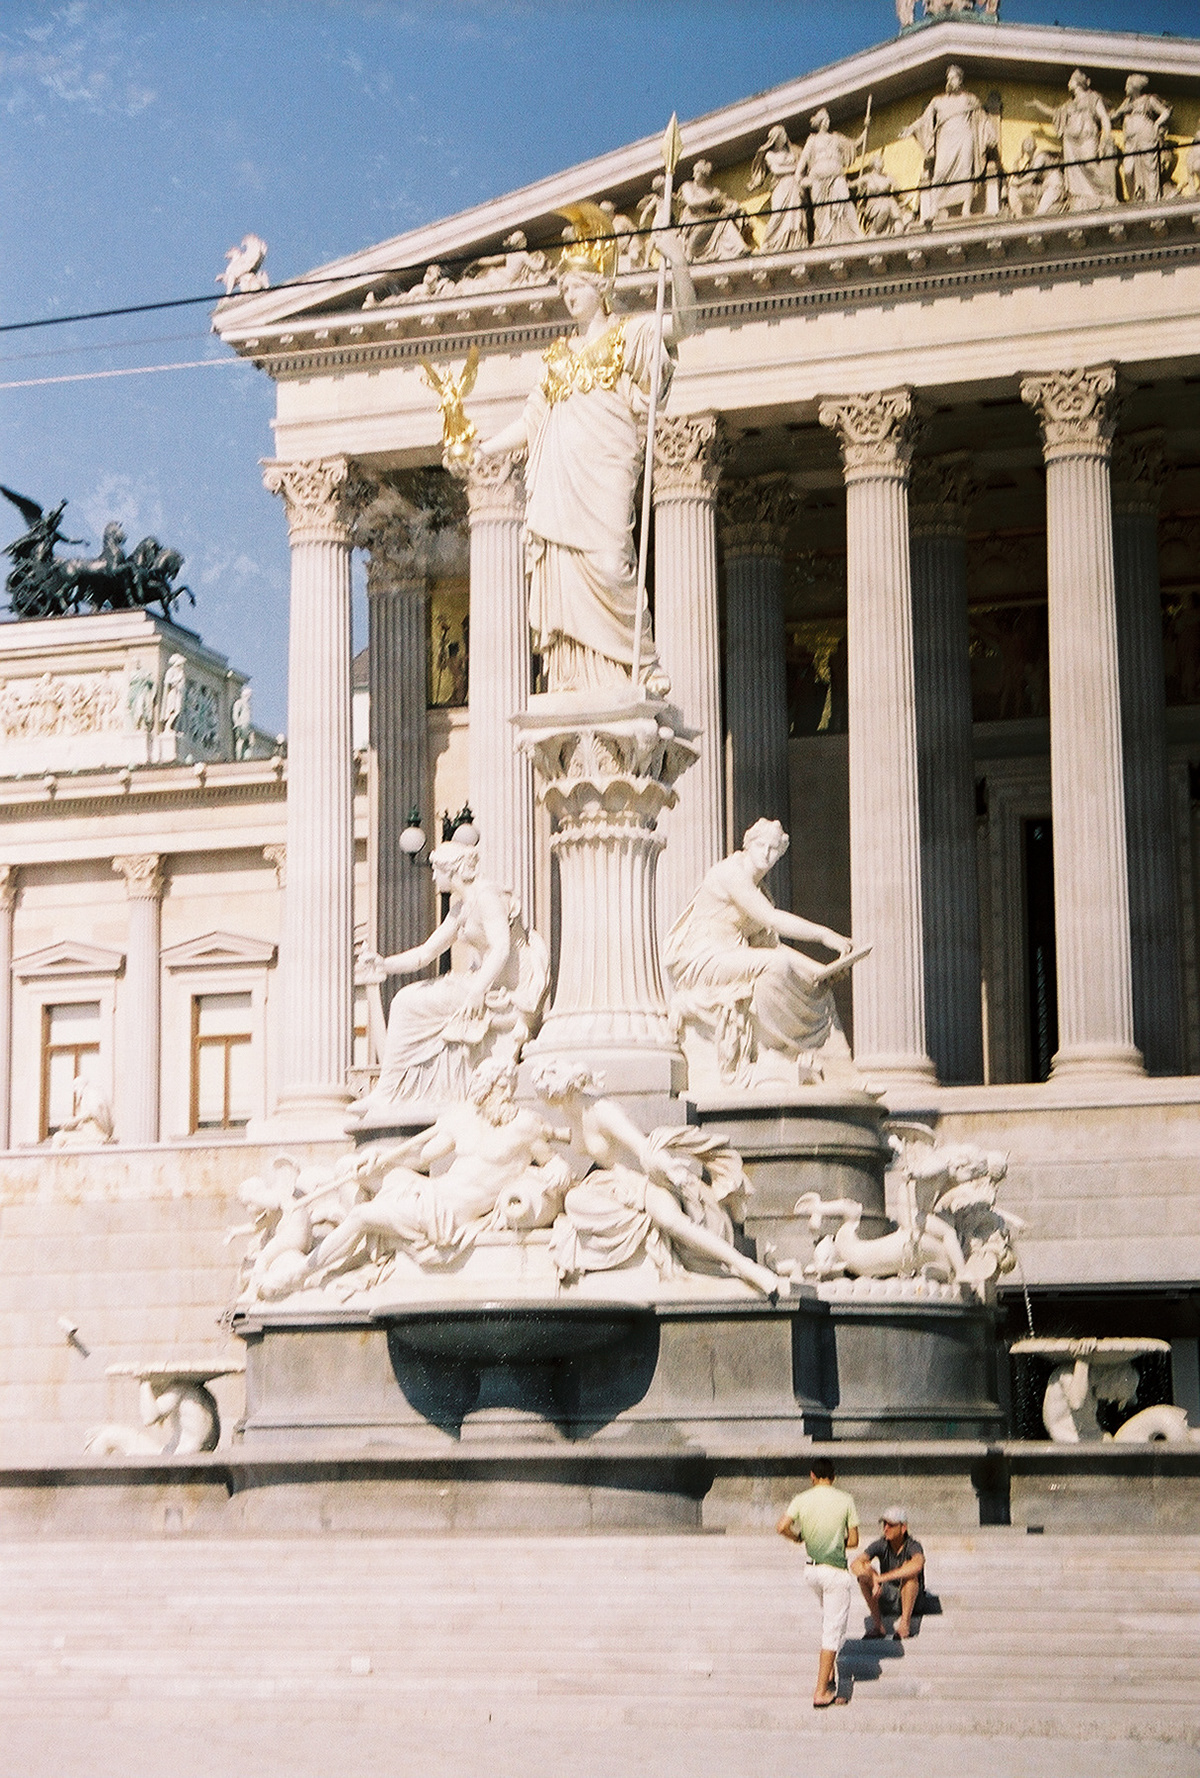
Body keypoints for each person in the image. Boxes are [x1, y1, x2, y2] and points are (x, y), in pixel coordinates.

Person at [470, 201, 696, 694]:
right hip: (559, 489)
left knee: (613, 562)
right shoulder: (557, 357)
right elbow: (532, 423)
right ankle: (575, 678)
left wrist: (676, 261)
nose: (568, 295)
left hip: (605, 470)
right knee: (566, 571)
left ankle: (641, 662)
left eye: (576, 286)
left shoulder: (630, 335)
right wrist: (484, 450)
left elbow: (685, 326)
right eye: (564, 288)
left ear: (601, 286)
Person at [348, 836, 549, 1115]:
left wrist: (478, 990)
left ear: (451, 870)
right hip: (481, 982)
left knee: (406, 1004)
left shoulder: (487, 896)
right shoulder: (460, 908)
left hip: (503, 988)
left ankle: (389, 1091)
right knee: (406, 999)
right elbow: (425, 954)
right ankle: (392, 1090)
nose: (433, 877)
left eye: (436, 871)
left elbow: (501, 947)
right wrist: (383, 964)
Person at [665, 818, 858, 1090]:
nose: (766, 855)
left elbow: (771, 947)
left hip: (733, 957)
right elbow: (772, 920)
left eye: (773, 850)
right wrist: (825, 935)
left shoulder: (760, 891)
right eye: (761, 847)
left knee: (817, 988)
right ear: (748, 845)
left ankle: (845, 1075)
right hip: (704, 958)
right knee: (775, 967)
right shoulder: (730, 873)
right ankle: (774, 1048)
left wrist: (817, 970)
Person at [777, 1457, 859, 1707]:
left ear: (812, 1476)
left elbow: (781, 1526)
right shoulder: (845, 1500)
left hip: (812, 1571)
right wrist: (836, 1543)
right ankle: (821, 1690)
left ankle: (830, 1672)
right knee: (832, 1631)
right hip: (835, 1572)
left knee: (829, 1619)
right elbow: (854, 1541)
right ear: (833, 1477)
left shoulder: (802, 1499)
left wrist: (798, 1537)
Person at [852, 1506, 926, 1640]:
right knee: (864, 1574)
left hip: (914, 1601)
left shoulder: (913, 1545)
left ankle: (904, 1625)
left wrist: (880, 1578)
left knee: (909, 1575)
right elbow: (855, 1564)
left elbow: (918, 1564)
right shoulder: (881, 1544)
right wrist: (872, 1577)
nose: (886, 1528)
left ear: (903, 1528)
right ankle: (878, 1626)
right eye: (884, 1524)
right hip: (889, 1595)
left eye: (891, 1525)